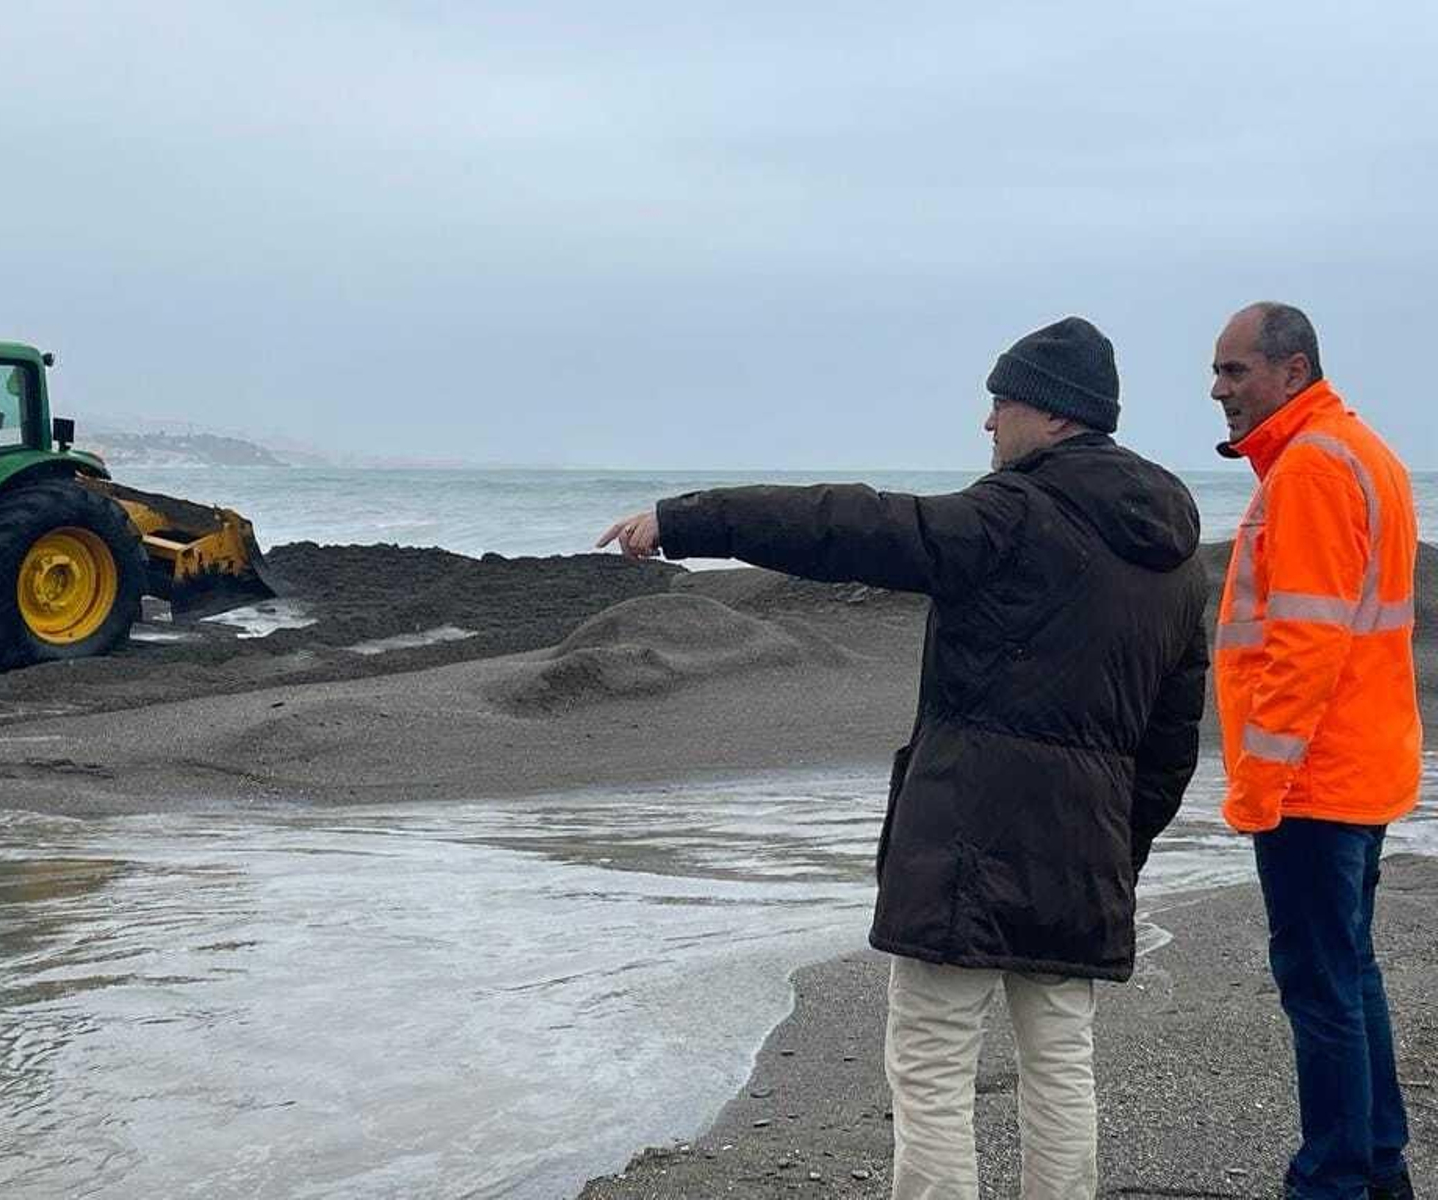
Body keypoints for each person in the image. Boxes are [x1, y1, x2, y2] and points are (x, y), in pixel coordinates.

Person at [598, 317, 1209, 1198]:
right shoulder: (1176, 561)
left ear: (1053, 414)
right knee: (1061, 1061)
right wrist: (1118, 845)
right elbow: (1170, 740)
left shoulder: (1010, 517)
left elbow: (848, 523)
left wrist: (686, 519)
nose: (987, 425)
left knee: (931, 1062)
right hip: (1087, 848)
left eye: (999, 403)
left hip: (967, 835)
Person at [1209, 302, 1420, 1200]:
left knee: (1322, 985)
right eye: (1217, 374)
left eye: (1235, 371)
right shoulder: (1362, 452)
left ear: (1292, 372)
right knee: (1349, 971)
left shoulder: (1312, 467)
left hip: (1315, 778)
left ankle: (1334, 1178)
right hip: (1361, 767)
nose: (1219, 390)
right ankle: (1377, 1167)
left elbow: (1305, 644)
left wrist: (1260, 785)